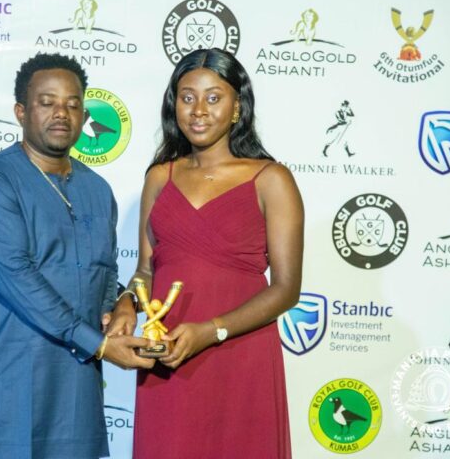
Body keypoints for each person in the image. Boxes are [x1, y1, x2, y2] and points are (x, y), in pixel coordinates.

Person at [0, 53, 154, 459]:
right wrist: (99, 345)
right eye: (47, 102)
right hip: (4, 391)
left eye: (73, 104)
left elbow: (103, 272)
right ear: (21, 112)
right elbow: (18, 278)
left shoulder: (97, 190)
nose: (61, 113)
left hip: (75, 398)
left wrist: (118, 310)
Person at [108, 48, 304, 458]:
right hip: (170, 356)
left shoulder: (271, 179)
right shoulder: (160, 177)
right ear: (173, 104)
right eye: (187, 97)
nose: (198, 110)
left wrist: (212, 330)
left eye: (214, 98)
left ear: (237, 107)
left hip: (240, 353)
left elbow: (286, 289)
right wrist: (127, 302)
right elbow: (146, 270)